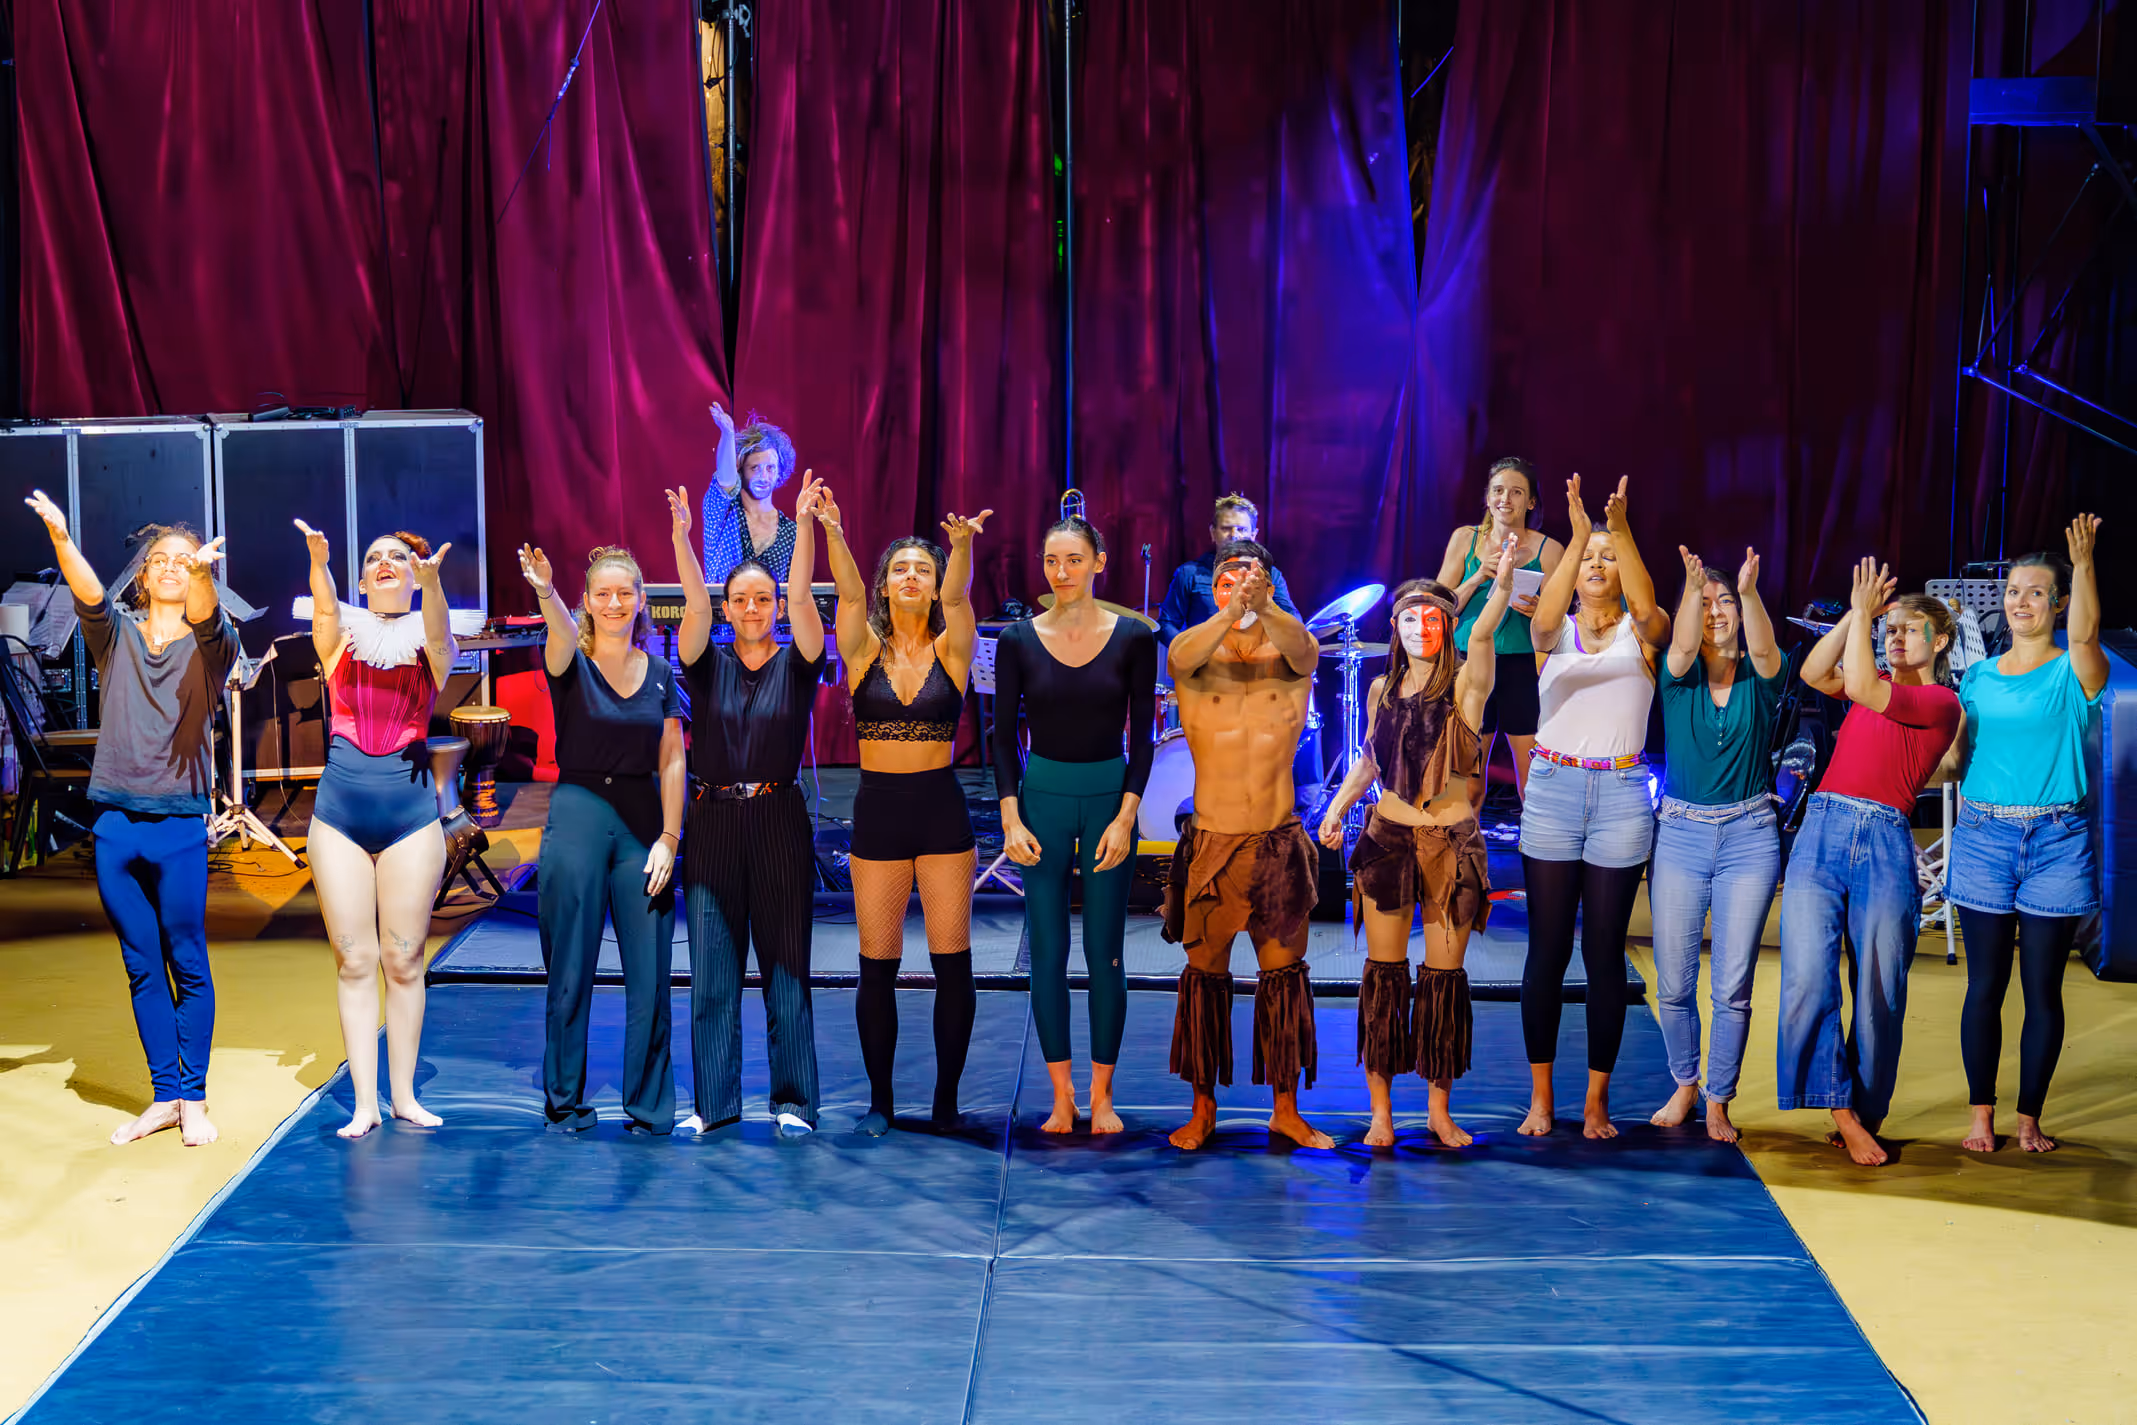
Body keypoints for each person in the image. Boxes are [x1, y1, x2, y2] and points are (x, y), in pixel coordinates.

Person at [27, 493, 234, 1147]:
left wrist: (201, 573)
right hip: (116, 824)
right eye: (160, 560)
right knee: (142, 966)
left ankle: (194, 1097)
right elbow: (90, 597)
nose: (171, 567)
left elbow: (207, 618)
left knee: (187, 960)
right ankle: (166, 1096)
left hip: (176, 826)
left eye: (183, 561)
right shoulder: (115, 637)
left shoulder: (209, 646)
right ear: (142, 576)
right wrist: (62, 538)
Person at [1317, 546, 1516, 1149]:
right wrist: (1335, 808)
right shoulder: (1380, 687)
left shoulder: (1468, 684)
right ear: (1396, 626)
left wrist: (1498, 584)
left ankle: (1437, 1110)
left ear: (1447, 624)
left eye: (1433, 618)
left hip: (1450, 846)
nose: (1421, 628)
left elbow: (1485, 630)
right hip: (1387, 841)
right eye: (1410, 618)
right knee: (1383, 976)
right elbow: (1371, 759)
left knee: (1442, 980)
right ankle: (1381, 1113)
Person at [1779, 558, 1959, 1167]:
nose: (1896, 635)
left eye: (1910, 628)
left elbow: (1857, 686)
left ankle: (1866, 1110)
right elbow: (1813, 670)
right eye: (1892, 627)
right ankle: (1842, 1111)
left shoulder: (1937, 702)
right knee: (1806, 973)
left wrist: (1864, 618)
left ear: (1940, 642)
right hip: (1824, 826)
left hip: (1883, 839)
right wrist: (1859, 616)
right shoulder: (1871, 679)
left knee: (1881, 989)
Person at [819, 499, 991, 1135]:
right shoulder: (861, 648)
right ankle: (881, 1102)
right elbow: (845, 588)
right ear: (884, 585)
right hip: (880, 815)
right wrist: (835, 530)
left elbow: (962, 598)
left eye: (924, 568)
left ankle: (946, 1102)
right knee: (877, 967)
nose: (912, 577)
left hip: (941, 814)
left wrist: (963, 547)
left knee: (954, 963)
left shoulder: (955, 648)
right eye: (900, 570)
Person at [670, 474, 830, 1138]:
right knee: (712, 970)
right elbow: (692, 604)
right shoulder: (704, 662)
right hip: (710, 824)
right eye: (742, 598)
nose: (756, 607)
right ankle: (715, 1103)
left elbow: (801, 594)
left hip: (778, 821)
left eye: (763, 598)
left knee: (785, 965)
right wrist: (681, 539)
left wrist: (805, 524)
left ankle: (793, 1100)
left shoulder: (801, 663)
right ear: (727, 608)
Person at [1163, 539, 1331, 1151]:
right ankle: (1202, 1108)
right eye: (1227, 577)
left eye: (1251, 577)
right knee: (1204, 981)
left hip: (1277, 844)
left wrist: (1267, 609)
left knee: (1283, 980)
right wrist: (1228, 610)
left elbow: (1307, 649)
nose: (1239, 585)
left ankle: (1285, 1111)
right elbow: (1179, 652)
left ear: (1270, 584)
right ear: (1212, 586)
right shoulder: (1196, 656)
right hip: (1212, 844)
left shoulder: (1288, 656)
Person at [1517, 475, 1671, 1140]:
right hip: (1551, 787)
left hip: (1619, 792)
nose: (1597, 565)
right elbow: (1545, 616)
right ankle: (1541, 1097)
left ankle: (1595, 1101)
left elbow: (1649, 603)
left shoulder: (1644, 632)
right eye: (1588, 559)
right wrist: (1580, 534)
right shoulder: (1550, 633)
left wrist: (1619, 527)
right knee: (1546, 949)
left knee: (1603, 951)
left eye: (1609, 557)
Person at [1947, 517, 2106, 1155]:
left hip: (2056, 843)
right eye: (2014, 591)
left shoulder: (2075, 672)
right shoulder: (1978, 677)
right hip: (1983, 836)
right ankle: (1981, 1114)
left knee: (2042, 987)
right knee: (1985, 985)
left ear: (2058, 603)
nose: (2020, 602)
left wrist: (2085, 562)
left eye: (2036, 592)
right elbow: (1956, 759)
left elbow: (2089, 633)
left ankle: (2028, 1116)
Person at [994, 515, 1157, 1134]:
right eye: (1051, 561)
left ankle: (1102, 1095)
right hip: (1042, 801)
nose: (1060, 573)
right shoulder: (1017, 640)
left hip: (1109, 799)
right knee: (1049, 955)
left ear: (1098, 563)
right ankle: (1062, 1095)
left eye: (1073, 560)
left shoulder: (1134, 638)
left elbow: (1142, 739)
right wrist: (1011, 817)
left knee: (1103, 954)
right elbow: (1004, 740)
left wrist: (1126, 815)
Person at [295, 519, 456, 1139]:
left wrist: (434, 584)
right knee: (355, 959)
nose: (386, 563)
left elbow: (439, 634)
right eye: (374, 559)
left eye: (397, 557)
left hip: (411, 816)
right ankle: (365, 1101)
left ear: (413, 576)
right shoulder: (341, 641)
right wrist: (320, 559)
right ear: (362, 579)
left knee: (405, 958)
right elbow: (326, 612)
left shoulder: (427, 641)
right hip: (340, 816)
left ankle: (405, 1095)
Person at [518, 543, 687, 1134]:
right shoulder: (568, 656)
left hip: (642, 822)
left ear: (641, 600)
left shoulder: (662, 673)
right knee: (569, 968)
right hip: (579, 813)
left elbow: (672, 759)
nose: (614, 602)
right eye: (602, 593)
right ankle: (565, 1103)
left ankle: (647, 1107)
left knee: (651, 973)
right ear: (587, 603)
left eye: (625, 592)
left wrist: (669, 835)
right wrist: (546, 590)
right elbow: (559, 628)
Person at [1646, 546, 1787, 1144]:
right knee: (1675, 983)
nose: (1715, 612)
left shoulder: (1762, 677)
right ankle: (1685, 1081)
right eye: (1705, 604)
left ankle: (1719, 1100)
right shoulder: (1677, 681)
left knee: (1733, 985)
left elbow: (1762, 649)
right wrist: (1692, 584)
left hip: (1750, 837)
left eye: (1723, 602)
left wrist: (1748, 593)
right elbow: (1679, 646)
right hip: (1679, 834)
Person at [1432, 457, 1564, 809]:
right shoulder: (1465, 538)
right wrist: (1477, 577)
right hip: (1469, 665)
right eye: (1498, 490)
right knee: (1470, 785)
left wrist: (1541, 612)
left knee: (1531, 784)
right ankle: (1466, 858)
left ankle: (1539, 859)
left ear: (1530, 502)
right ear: (1488, 498)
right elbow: (1437, 607)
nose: (1506, 498)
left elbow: (1561, 623)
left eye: (1517, 492)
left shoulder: (1550, 549)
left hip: (1523, 667)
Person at [1154, 493, 1300, 645]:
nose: (1234, 535)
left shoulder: (1271, 575)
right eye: (1226, 528)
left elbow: (1292, 620)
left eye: (1241, 529)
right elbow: (1166, 624)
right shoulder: (1189, 573)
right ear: (1213, 533)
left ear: (1253, 535)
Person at [702, 403, 800, 587]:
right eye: (755, 468)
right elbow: (725, 478)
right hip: (722, 614)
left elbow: (793, 594)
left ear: (780, 471)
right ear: (741, 470)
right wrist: (728, 434)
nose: (764, 476)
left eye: (770, 468)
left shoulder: (791, 531)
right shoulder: (723, 513)